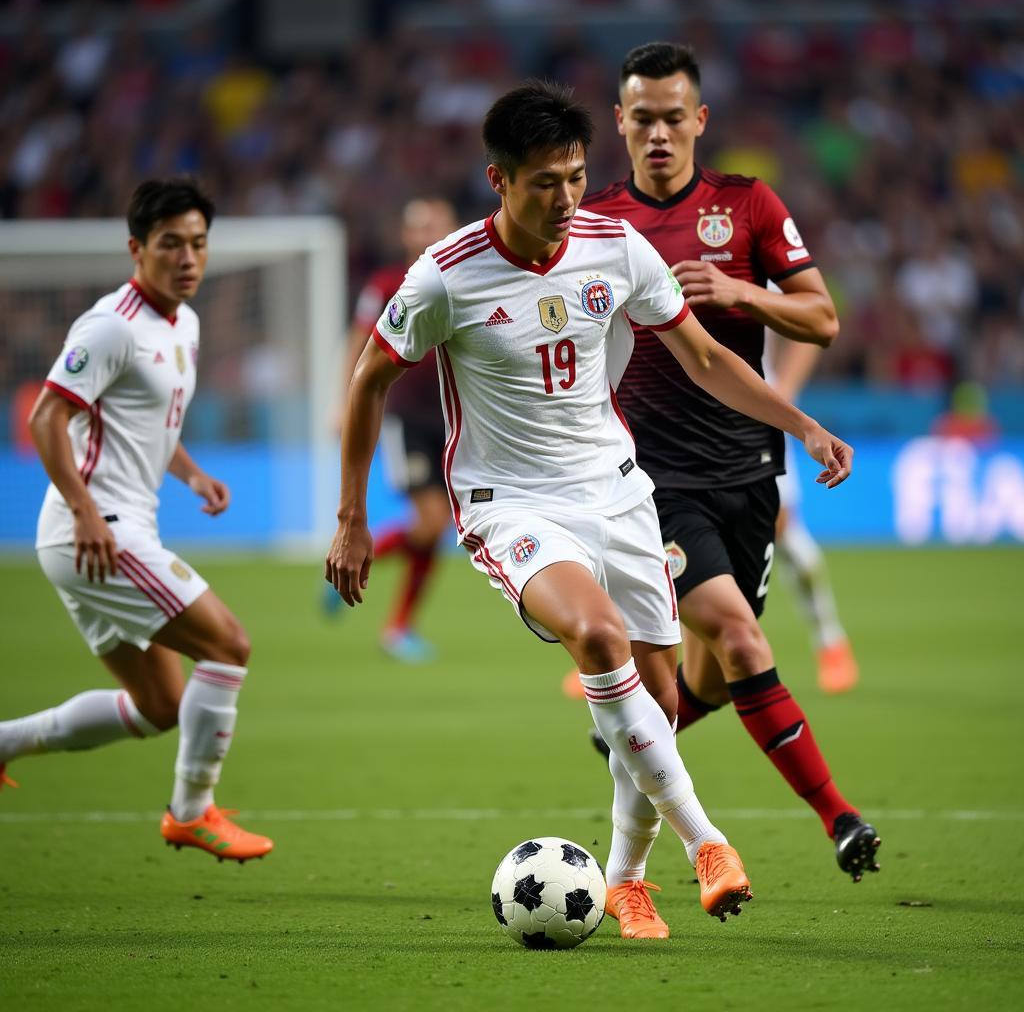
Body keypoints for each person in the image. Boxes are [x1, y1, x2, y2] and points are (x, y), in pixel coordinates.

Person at [325, 81, 855, 938]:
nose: (567, 197)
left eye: (575, 176)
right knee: (600, 640)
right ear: (499, 180)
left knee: (657, 702)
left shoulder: (616, 248)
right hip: (511, 505)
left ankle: (625, 879)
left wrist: (802, 424)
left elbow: (706, 359)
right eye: (545, 182)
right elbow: (368, 380)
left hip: (619, 491)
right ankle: (707, 841)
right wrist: (352, 518)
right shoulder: (445, 277)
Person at [576, 42, 879, 885]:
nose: (661, 134)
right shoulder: (596, 224)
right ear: (621, 124)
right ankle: (840, 818)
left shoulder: (748, 207)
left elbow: (820, 321)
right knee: (744, 644)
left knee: (702, 682)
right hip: (649, 485)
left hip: (749, 475)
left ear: (700, 120)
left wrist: (743, 293)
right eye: (644, 119)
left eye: (676, 117)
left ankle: (633, 728)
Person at [0, 177, 272, 864]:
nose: (187, 258)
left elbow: (146, 421)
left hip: (111, 528)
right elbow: (46, 417)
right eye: (170, 244)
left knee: (158, 706)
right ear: (136, 249)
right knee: (229, 646)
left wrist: (191, 473)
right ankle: (191, 812)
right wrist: (87, 510)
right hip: (95, 530)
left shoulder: (185, 321)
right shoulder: (111, 325)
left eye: (198, 244)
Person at [324, 198, 459, 663]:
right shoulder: (386, 285)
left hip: (454, 418)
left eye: (436, 224)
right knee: (430, 522)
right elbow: (359, 342)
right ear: (405, 236)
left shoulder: (467, 278)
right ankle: (353, 561)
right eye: (418, 226)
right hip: (405, 417)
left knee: (435, 529)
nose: (427, 233)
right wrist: (344, 402)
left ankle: (398, 625)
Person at [766, 332, 860, 694]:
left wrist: (783, 390)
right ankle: (617, 658)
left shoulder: (757, 274)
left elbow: (814, 321)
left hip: (753, 408)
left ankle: (830, 640)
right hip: (677, 411)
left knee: (782, 529)